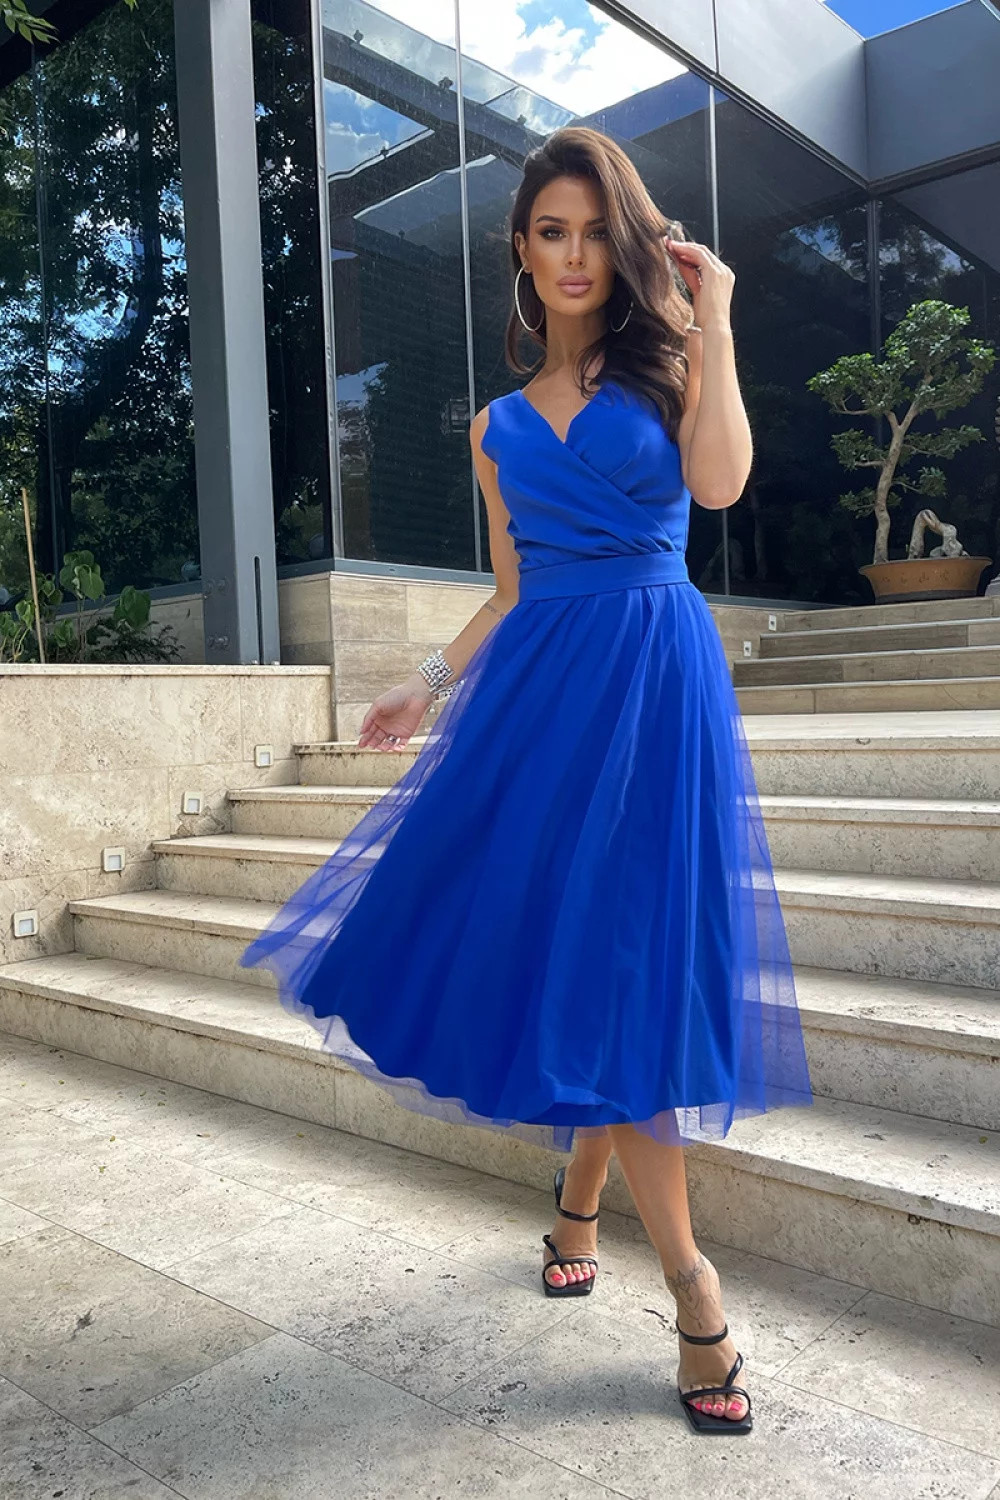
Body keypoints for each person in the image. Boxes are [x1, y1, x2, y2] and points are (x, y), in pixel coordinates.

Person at [239, 124, 813, 1435]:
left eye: (596, 231)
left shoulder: (668, 368)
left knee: (634, 965)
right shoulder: (496, 427)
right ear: (520, 248)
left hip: (655, 686)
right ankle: (582, 1210)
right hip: (542, 700)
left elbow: (721, 482)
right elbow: (510, 591)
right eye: (551, 231)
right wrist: (424, 684)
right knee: (583, 955)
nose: (574, 254)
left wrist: (717, 319)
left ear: (625, 244)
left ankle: (689, 1282)